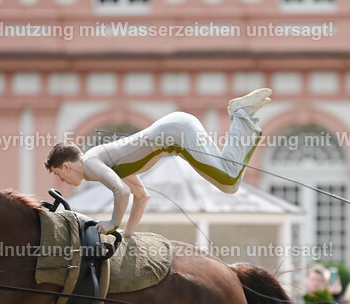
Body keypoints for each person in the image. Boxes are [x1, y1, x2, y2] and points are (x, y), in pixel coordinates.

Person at [45, 88, 271, 237]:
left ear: (66, 166)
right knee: (230, 183)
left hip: (177, 133)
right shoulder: (107, 161)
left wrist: (113, 223)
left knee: (229, 180)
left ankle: (241, 114)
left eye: (57, 174)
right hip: (178, 128)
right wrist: (127, 234)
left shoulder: (91, 164)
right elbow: (141, 196)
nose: (61, 180)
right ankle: (242, 116)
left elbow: (121, 191)